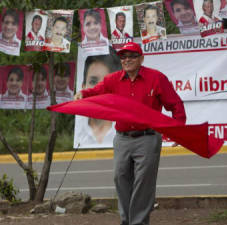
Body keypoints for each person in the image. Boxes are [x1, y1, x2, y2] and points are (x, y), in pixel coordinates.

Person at [74, 42, 186, 225]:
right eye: (124, 57)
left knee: (143, 183)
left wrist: (178, 129)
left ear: (141, 59)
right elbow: (97, 91)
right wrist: (83, 94)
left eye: (132, 56)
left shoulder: (156, 78)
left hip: (148, 138)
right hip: (123, 139)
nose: (127, 60)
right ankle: (127, 220)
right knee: (120, 177)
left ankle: (138, 222)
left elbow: (175, 104)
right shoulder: (113, 80)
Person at [75, 49, 121, 146]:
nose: (99, 90)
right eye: (93, 82)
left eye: (107, 83)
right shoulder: (79, 130)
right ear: (83, 87)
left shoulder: (125, 132)